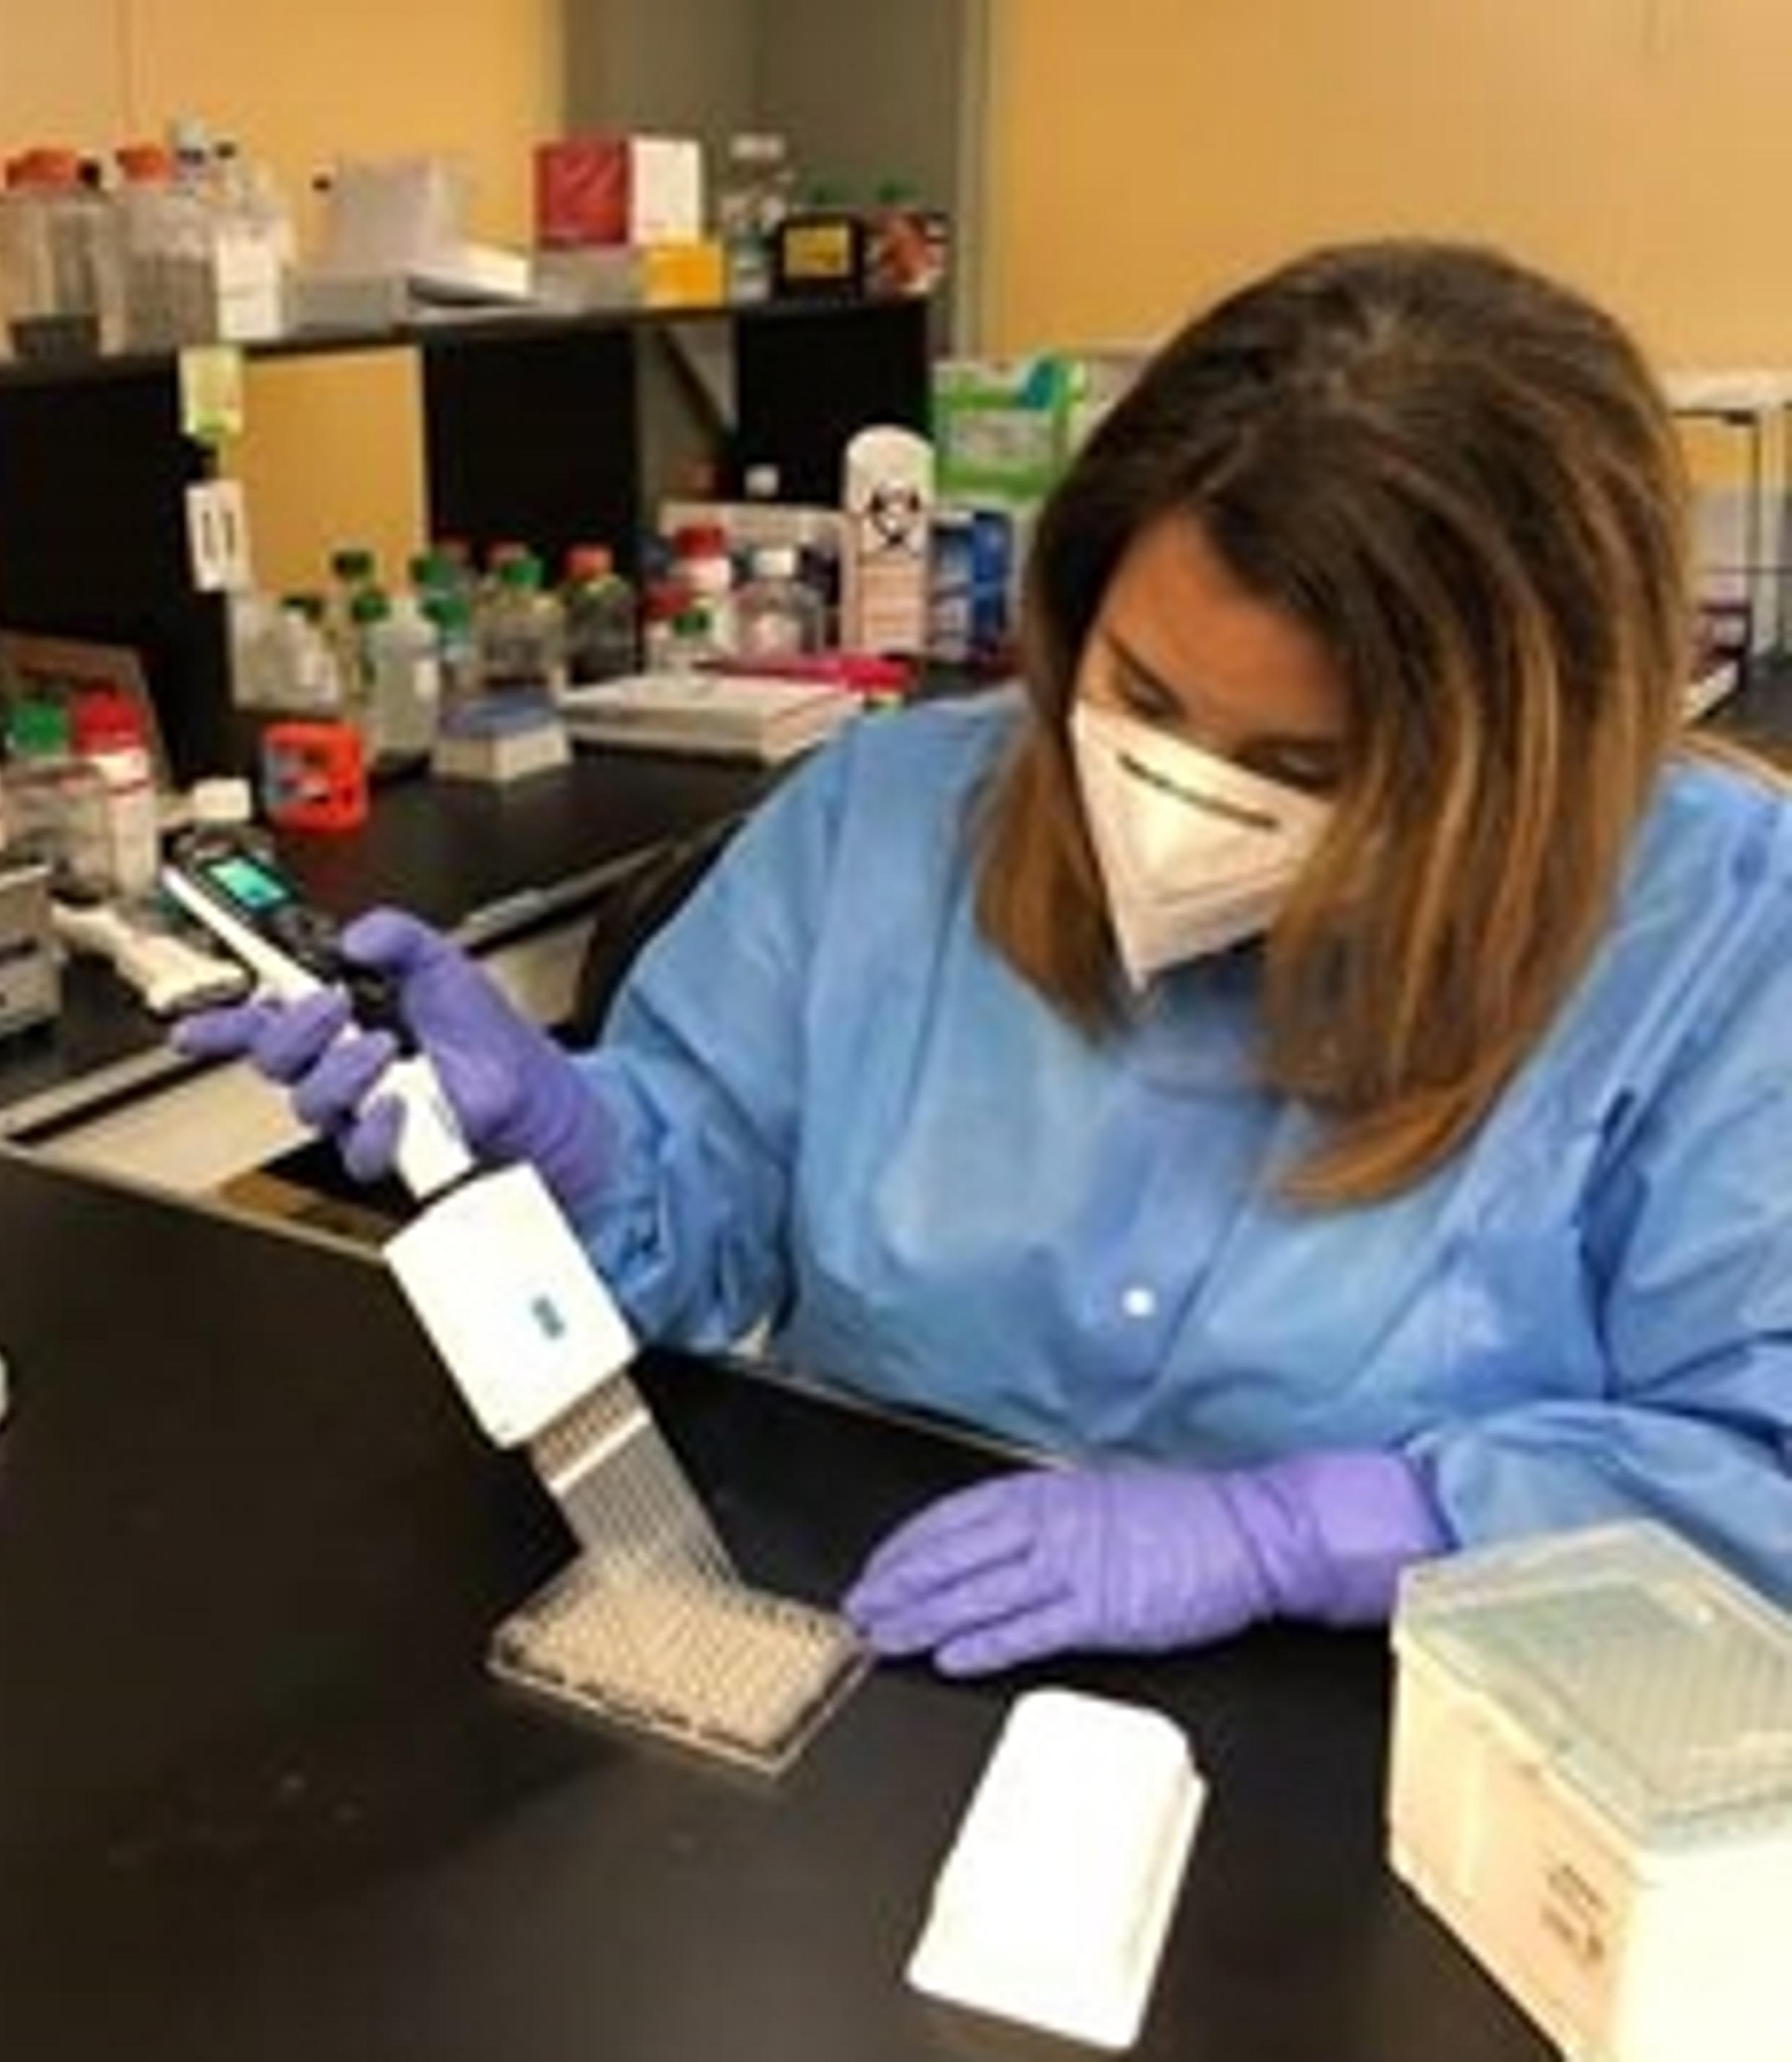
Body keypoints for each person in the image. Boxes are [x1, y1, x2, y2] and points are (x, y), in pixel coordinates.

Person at [179, 240, 1792, 1677]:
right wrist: (579, 1142)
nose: (1178, 802)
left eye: (1303, 768)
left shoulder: (1717, 939)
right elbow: (712, 1197)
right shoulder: (897, 811)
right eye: (1142, 696)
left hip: (1436, 1747)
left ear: (1517, 776)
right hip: (885, 1644)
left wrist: (1311, 1534)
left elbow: (1754, 1467)